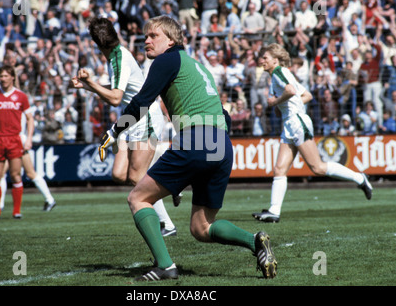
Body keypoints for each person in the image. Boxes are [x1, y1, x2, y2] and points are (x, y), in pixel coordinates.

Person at [97, 16, 277, 281]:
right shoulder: (196, 65)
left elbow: (142, 102)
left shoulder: (166, 60)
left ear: (171, 40)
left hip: (197, 140)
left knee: (138, 198)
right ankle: (255, 242)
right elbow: (224, 115)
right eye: (145, 36)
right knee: (201, 228)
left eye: (153, 35)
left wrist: (114, 131)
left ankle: (166, 266)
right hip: (221, 145)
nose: (146, 40)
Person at [70, 17, 177, 236]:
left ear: (96, 43)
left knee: (137, 178)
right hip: (130, 119)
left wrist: (91, 83)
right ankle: (171, 184)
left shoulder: (118, 58)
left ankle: (167, 224)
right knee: (119, 175)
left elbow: (116, 98)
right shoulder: (116, 56)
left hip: (143, 115)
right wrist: (87, 86)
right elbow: (119, 89)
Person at [252, 43, 373, 223]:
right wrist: (280, 104)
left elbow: (290, 91)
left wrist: (276, 101)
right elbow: (306, 95)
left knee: (317, 167)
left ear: (275, 60)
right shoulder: (278, 75)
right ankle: (274, 211)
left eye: (265, 58)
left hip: (297, 122)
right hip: (290, 123)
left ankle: (360, 178)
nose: (262, 61)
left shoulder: (279, 72)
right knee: (279, 169)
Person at [0, 65, 34, 220]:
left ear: (12, 77)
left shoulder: (21, 96)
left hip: (14, 139)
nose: (2, 79)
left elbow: (30, 118)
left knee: (16, 175)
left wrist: (28, 138)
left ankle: (16, 211)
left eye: (5, 76)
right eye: (0, 76)